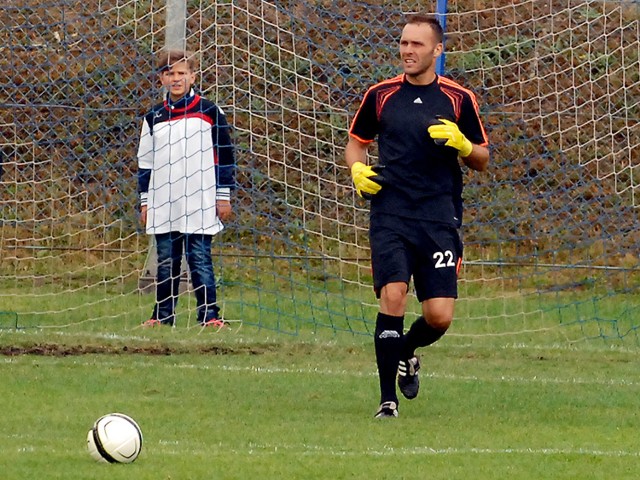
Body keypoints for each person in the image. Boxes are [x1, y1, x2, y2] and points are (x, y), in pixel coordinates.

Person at [344, 14, 490, 418]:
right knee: (393, 295)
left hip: (439, 216)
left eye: (417, 45)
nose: (408, 51)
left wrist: (462, 143)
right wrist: (358, 171)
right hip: (390, 211)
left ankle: (407, 348)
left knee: (438, 317)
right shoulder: (381, 95)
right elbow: (356, 144)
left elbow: (482, 158)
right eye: (404, 43)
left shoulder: (459, 99)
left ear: (437, 51)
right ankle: (386, 400)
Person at [136, 49, 235, 328]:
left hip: (200, 202)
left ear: (192, 76)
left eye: (182, 73)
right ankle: (162, 317)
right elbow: (145, 163)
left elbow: (225, 155)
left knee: (200, 259)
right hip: (164, 203)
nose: (176, 78)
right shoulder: (153, 117)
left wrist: (223, 195)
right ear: (161, 79)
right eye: (170, 73)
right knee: (166, 262)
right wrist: (145, 201)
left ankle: (209, 316)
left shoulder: (210, 111)